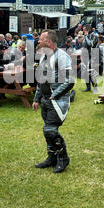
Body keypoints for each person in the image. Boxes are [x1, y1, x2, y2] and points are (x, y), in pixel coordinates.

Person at [32, 30, 74, 173]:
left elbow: (69, 81)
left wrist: (53, 95)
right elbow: (40, 80)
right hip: (45, 100)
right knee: (47, 131)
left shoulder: (62, 57)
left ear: (48, 42)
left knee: (50, 130)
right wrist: (37, 98)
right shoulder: (44, 56)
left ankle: (63, 158)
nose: (38, 41)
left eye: (41, 39)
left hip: (57, 101)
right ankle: (52, 157)